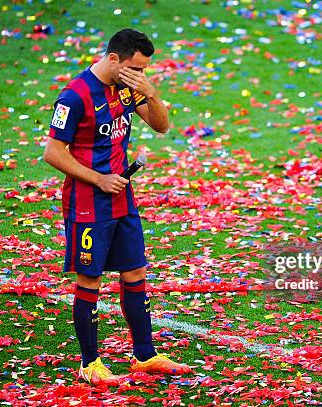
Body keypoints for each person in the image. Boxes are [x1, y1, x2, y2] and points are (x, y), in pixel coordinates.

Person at [43, 28, 191, 385]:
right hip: (87, 203)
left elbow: (161, 125)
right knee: (90, 278)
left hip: (122, 198)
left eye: (144, 70)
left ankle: (145, 355)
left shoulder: (128, 88)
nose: (140, 75)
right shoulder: (74, 96)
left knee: (135, 272)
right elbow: (51, 153)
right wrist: (98, 178)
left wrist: (150, 93)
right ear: (114, 59)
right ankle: (90, 363)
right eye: (136, 68)